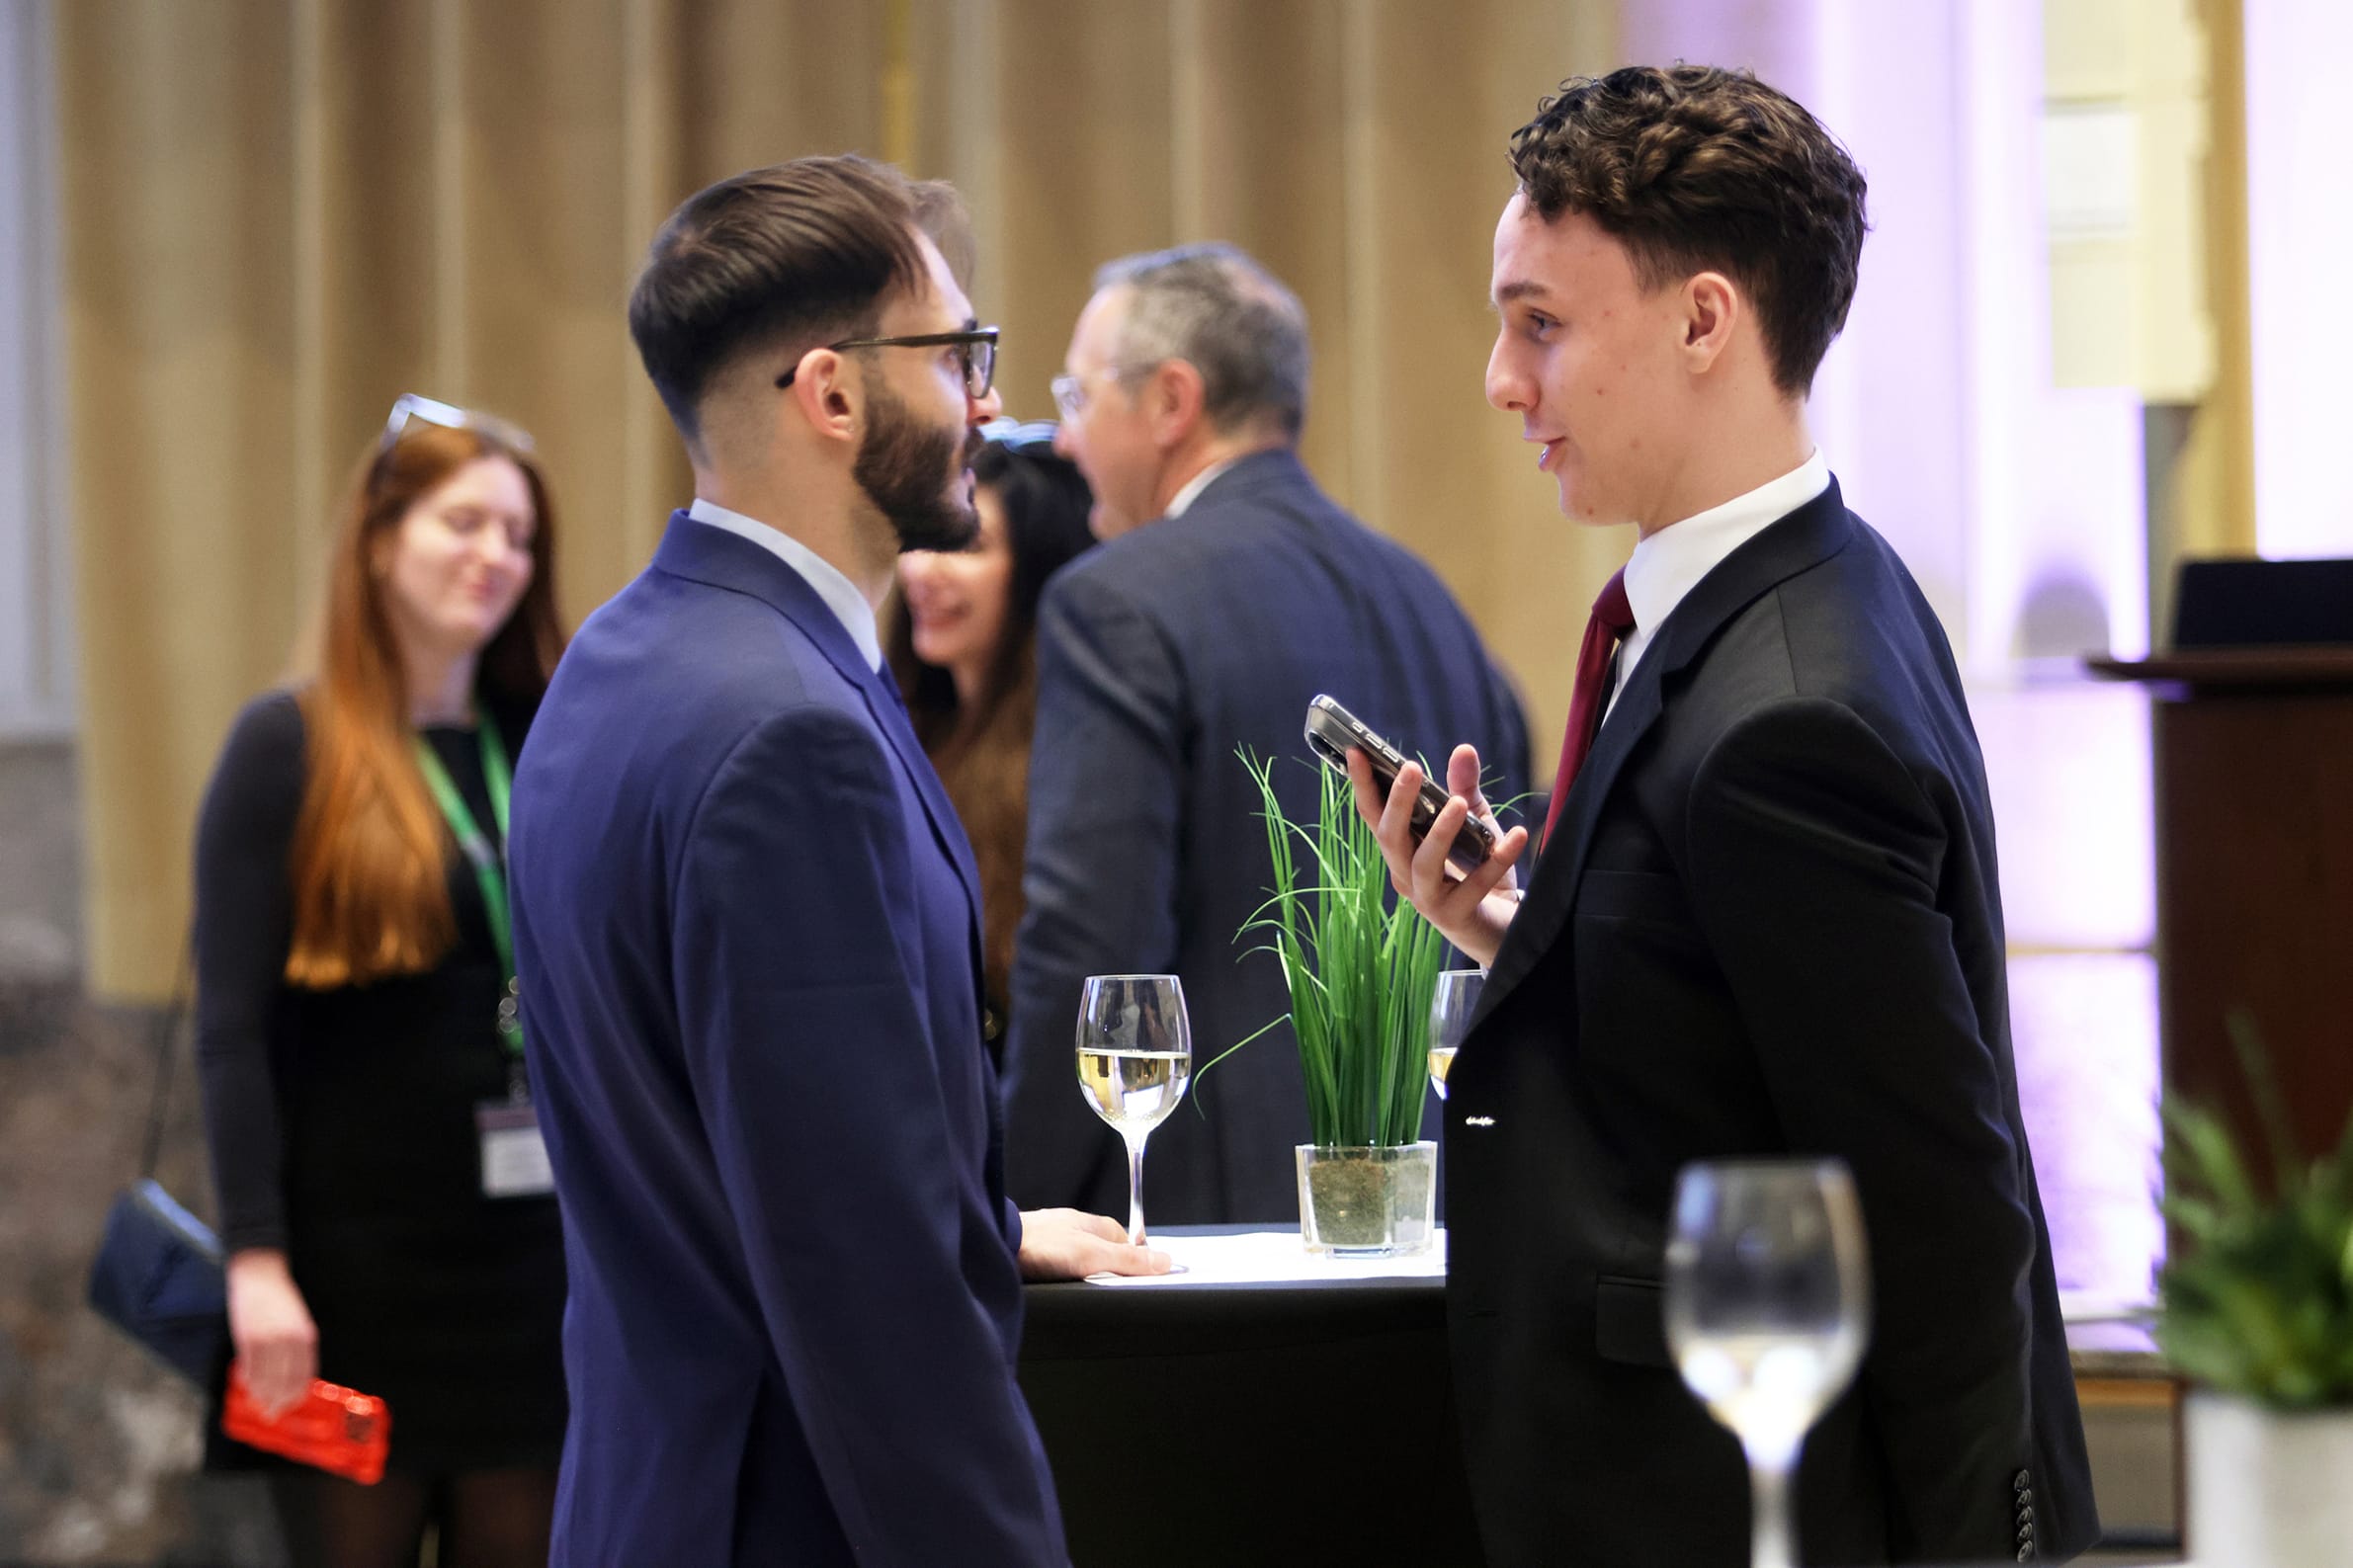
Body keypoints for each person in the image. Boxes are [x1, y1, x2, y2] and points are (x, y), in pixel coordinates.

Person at [1353, 65, 2097, 1565]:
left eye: (1539, 324)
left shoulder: (1789, 714)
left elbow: (1937, 1218)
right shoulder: (1827, 574)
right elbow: (1733, 1046)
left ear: (1704, 320)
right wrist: (1524, 940)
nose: (1501, 381)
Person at [505, 156, 1164, 1568]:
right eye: (960, 354)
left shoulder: (619, 656)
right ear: (834, 395)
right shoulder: (790, 736)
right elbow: (868, 1295)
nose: (990, 399)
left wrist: (982, 1219)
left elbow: (737, 1141)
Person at [1003, 242, 1531, 1225]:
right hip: (1432, 1215)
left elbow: (1090, 945)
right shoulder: (1429, 604)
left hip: (1201, 1230)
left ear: (1171, 400)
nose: (1064, 443)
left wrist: (1004, 1208)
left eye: (1077, 398)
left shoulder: (1113, 602)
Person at [193, 394, 568, 1568]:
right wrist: (256, 1265)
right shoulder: (286, 746)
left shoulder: (545, 735)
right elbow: (231, 1033)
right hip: (345, 1283)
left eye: (518, 536)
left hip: (530, 1275)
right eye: (464, 523)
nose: (496, 556)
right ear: (376, 540)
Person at [888, 420, 1097, 1047]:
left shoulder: (1071, 763)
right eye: (921, 540)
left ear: (1040, 575)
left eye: (968, 547)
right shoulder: (900, 731)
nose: (924, 569)